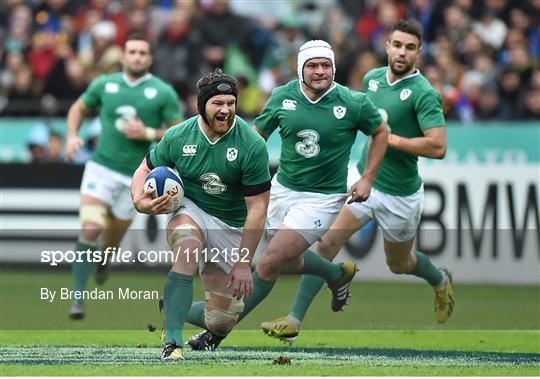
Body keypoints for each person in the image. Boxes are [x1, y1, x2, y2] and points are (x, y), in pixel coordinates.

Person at [184, 39, 389, 351]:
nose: (320, 71)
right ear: (300, 69)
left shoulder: (353, 102)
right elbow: (256, 138)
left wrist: (367, 178)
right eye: (313, 66)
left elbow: (380, 131)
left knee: (268, 263)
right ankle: (336, 274)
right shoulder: (283, 96)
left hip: (322, 198)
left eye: (326, 65)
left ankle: (217, 332)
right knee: (285, 262)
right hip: (282, 189)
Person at [260, 19, 455, 343]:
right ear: (387, 46)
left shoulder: (423, 94)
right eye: (397, 45)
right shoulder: (372, 79)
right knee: (326, 244)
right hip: (364, 181)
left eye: (410, 47)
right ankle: (293, 321)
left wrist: (391, 140)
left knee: (399, 263)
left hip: (400, 193)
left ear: (419, 53)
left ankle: (438, 279)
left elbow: (438, 146)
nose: (402, 52)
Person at [131, 69, 272, 360]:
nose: (226, 110)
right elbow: (144, 168)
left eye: (231, 103)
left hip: (231, 226)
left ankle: (172, 306)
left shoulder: (252, 145)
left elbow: (258, 209)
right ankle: (172, 344)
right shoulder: (178, 136)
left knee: (221, 321)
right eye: (217, 103)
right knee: (186, 246)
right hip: (191, 209)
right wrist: (139, 201)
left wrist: (244, 262)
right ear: (202, 105)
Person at [64, 34, 182, 320]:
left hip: (135, 178)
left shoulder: (162, 92)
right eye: (132, 52)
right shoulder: (105, 84)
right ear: (124, 56)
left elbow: (179, 132)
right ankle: (77, 298)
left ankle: (103, 261)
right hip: (100, 168)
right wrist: (71, 137)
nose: (137, 57)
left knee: (109, 243)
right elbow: (78, 108)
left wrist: (149, 134)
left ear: (149, 58)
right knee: (90, 228)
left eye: (142, 52)